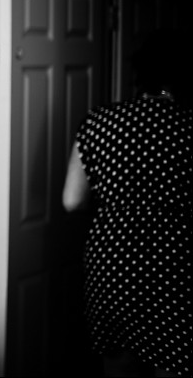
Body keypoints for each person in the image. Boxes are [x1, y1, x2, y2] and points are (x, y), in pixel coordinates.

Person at [63, 30, 191, 378]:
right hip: (175, 266)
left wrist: (121, 209)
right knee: (175, 363)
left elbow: (73, 201)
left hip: (113, 262)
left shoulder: (99, 122)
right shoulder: (187, 125)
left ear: (139, 74)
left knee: (118, 364)